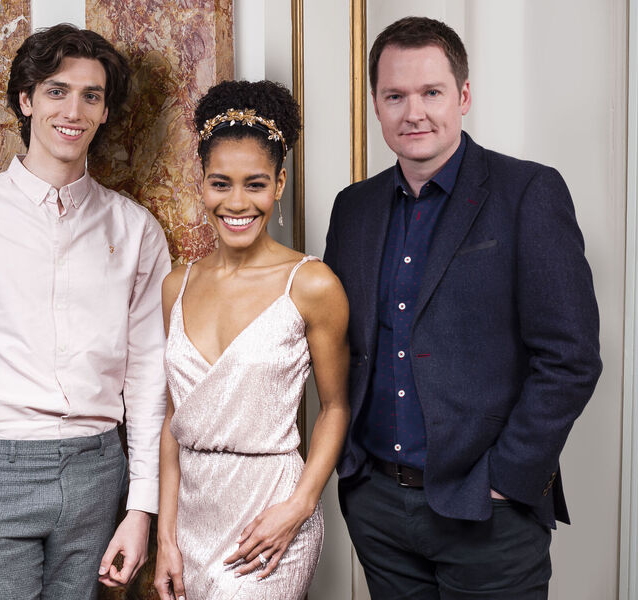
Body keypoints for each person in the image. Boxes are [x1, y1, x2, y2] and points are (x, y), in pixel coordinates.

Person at [324, 16, 602, 600]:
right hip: (377, 506)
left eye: (431, 92)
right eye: (395, 96)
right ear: (376, 104)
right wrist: (351, 474)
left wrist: (507, 478)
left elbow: (571, 357)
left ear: (464, 96)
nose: (413, 112)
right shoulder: (353, 208)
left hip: (488, 515)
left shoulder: (528, 192)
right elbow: (344, 349)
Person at [0, 24, 170, 600]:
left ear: (103, 113)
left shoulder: (137, 229)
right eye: (56, 90)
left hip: (99, 470)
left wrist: (141, 506)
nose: (73, 109)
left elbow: (148, 376)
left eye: (91, 95)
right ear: (25, 100)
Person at [153, 80, 350, 600]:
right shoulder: (177, 285)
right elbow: (174, 422)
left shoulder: (312, 284)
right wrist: (165, 536)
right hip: (192, 519)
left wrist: (301, 505)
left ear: (279, 184)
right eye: (221, 183)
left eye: (255, 184)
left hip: (270, 516)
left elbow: (334, 408)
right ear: (201, 184)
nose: (236, 202)